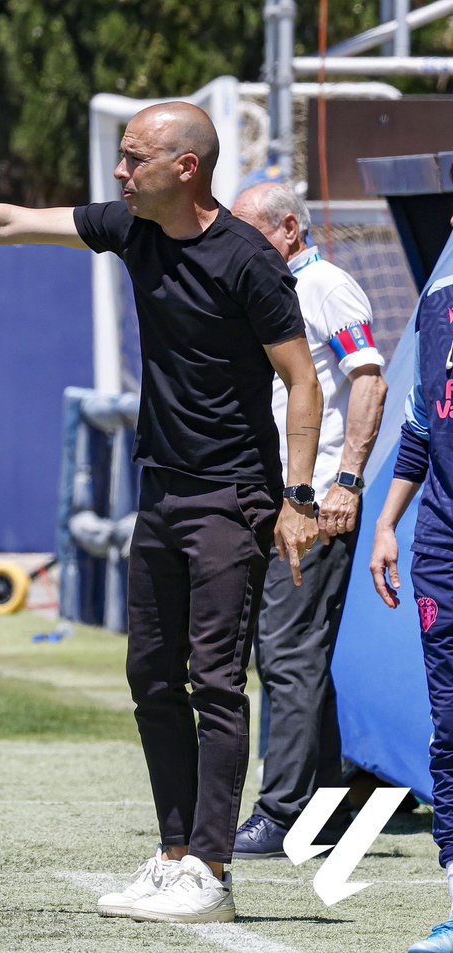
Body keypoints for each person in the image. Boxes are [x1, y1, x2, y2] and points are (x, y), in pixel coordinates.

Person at [0, 102, 321, 918]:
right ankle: (174, 851)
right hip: (162, 487)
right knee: (151, 674)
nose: (119, 173)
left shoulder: (248, 261)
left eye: (133, 158)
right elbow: (8, 221)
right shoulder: (133, 229)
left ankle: (213, 873)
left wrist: (297, 497)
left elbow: (302, 377)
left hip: (233, 494)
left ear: (185, 167)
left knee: (216, 681)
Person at [228, 183, 387, 858]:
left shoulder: (325, 284)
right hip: (286, 503)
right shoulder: (274, 290)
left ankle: (285, 811)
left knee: (288, 651)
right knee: (296, 652)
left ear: (289, 229)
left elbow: (370, 377)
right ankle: (326, 808)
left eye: (249, 234)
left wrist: (345, 483)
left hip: (316, 503)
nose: (235, 248)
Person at [370, 211, 453, 953]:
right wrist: (389, 522)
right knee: (451, 726)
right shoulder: (437, 300)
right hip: (439, 542)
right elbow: (421, 424)